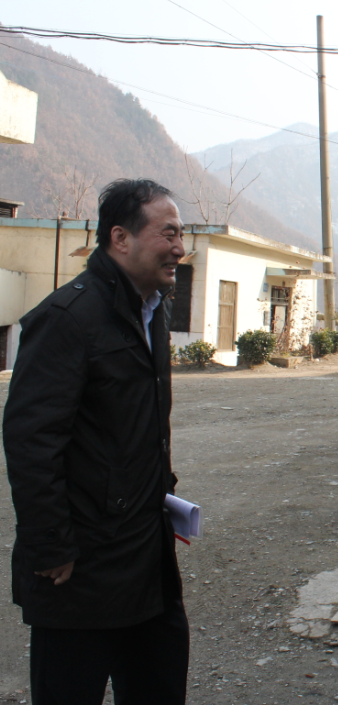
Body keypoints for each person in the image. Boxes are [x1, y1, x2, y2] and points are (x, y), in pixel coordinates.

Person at [3, 179, 189, 704]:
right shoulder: (67, 319)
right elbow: (31, 441)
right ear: (120, 238)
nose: (179, 248)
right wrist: (49, 545)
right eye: (168, 234)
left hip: (145, 556)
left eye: (182, 235)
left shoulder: (151, 313)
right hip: (80, 568)